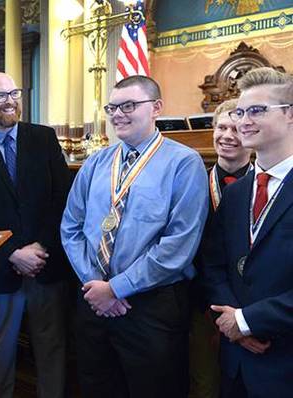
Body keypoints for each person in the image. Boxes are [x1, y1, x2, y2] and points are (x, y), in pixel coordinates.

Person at [61, 75, 208, 397]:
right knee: (96, 386)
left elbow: (178, 244)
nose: (117, 114)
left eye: (128, 105)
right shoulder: (96, 162)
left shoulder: (184, 163)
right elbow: (71, 227)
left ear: (156, 108)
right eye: (112, 107)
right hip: (93, 301)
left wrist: (116, 288)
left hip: (150, 306)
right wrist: (96, 286)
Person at [0, 72, 71, 398]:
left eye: (14, 93)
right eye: (0, 95)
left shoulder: (44, 138)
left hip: (46, 267)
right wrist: (12, 252)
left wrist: (39, 247)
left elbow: (62, 200)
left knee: (52, 353)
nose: (9, 100)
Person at [201, 67, 293, 397]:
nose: (243, 121)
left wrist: (248, 321)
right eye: (240, 111)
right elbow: (214, 265)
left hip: (283, 359)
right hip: (236, 361)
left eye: (256, 111)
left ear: (289, 115)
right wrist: (233, 324)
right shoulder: (238, 192)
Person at [188, 99, 252, 398]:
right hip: (197, 301)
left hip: (244, 304)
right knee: (202, 379)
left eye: (237, 129)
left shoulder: (263, 186)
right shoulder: (192, 180)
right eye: (222, 127)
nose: (227, 135)